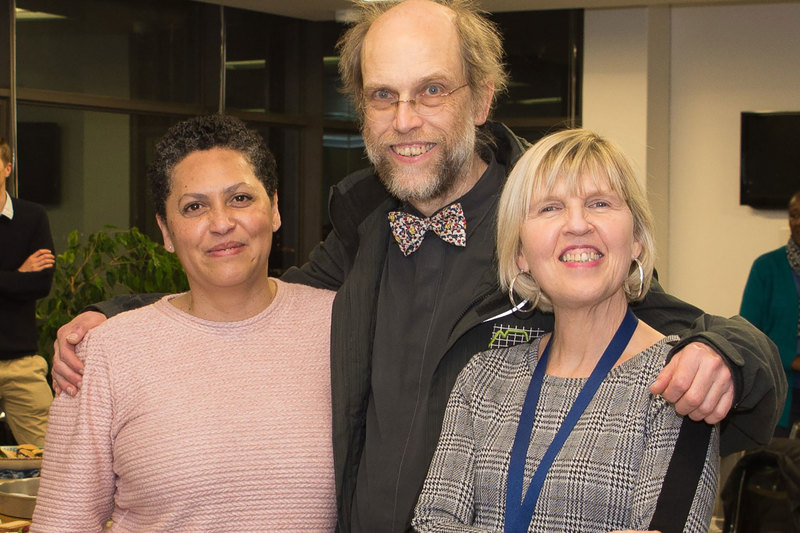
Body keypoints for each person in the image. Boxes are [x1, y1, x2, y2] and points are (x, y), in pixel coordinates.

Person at [51, 1, 784, 532]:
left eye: (432, 90)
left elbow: (691, 325)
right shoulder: (363, 236)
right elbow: (253, 291)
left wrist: (728, 352)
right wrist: (118, 321)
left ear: (482, 98)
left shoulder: (542, 233)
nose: (406, 120)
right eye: (383, 96)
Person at [30, 115, 337, 532]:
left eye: (241, 198)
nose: (221, 222)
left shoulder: (341, 328)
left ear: (275, 208)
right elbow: (63, 524)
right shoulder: (104, 354)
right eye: (194, 206)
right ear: (166, 232)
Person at [413, 128, 718, 533]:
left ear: (637, 241)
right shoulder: (483, 379)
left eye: (599, 203)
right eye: (550, 208)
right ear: (520, 253)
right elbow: (431, 525)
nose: (577, 224)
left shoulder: (680, 381)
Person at [0, 137, 55, 448]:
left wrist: (23, 279)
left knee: (51, 459)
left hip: (22, 362)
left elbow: (41, 284)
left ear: (8, 168)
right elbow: (25, 284)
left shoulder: (32, 216)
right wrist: (17, 274)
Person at [740, 190, 800, 437]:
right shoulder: (766, 268)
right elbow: (747, 334)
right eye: (794, 215)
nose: (798, 221)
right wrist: (792, 360)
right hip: (780, 394)